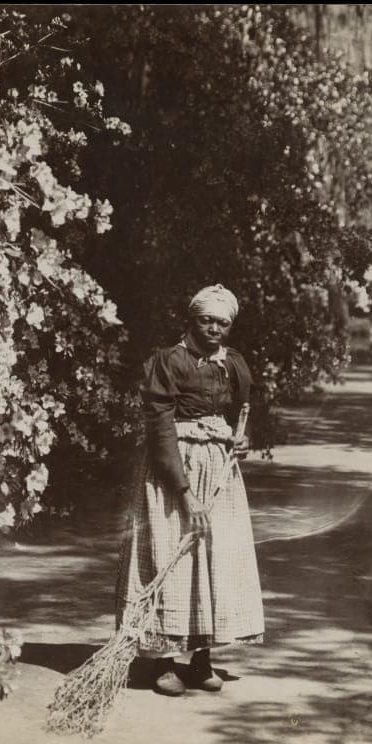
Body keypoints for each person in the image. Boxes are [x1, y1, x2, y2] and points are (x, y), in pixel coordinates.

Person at [115, 284, 264, 696]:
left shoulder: (233, 363)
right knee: (169, 554)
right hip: (171, 472)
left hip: (217, 471)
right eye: (206, 320)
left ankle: (200, 660)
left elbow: (245, 409)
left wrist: (243, 437)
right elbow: (160, 427)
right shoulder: (169, 361)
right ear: (191, 320)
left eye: (222, 322)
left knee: (213, 560)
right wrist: (183, 492)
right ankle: (162, 660)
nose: (214, 328)